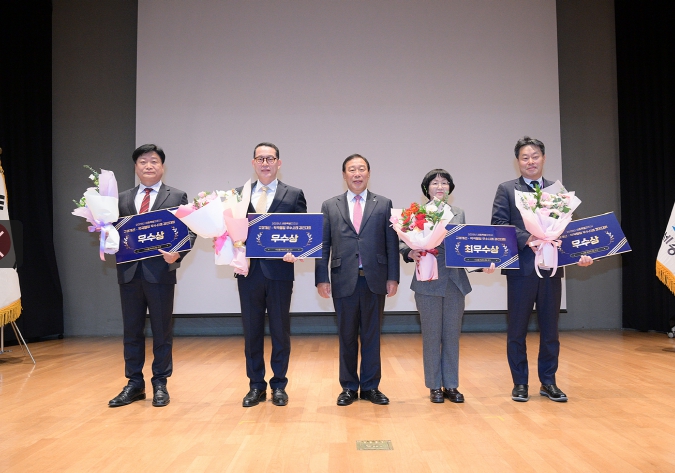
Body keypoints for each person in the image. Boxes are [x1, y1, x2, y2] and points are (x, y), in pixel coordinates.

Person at [491, 136, 592, 403]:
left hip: (551, 269)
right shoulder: (507, 189)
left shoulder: (557, 191)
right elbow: (499, 224)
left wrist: (581, 254)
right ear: (518, 161)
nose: (530, 161)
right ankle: (520, 383)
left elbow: (568, 228)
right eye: (525, 157)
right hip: (521, 270)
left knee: (550, 330)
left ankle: (548, 382)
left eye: (535, 156)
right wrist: (528, 239)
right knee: (517, 330)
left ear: (544, 158)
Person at [109, 144, 194, 408]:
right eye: (143, 161)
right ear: (136, 167)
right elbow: (112, 232)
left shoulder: (176, 195)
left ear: (162, 166)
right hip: (129, 273)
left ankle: (160, 383)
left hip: (160, 273)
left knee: (161, 330)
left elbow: (190, 230)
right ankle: (134, 383)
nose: (148, 165)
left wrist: (178, 253)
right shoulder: (120, 199)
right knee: (131, 331)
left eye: (154, 161)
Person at [400, 169, 493, 404]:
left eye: (444, 183)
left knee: (452, 336)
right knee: (432, 336)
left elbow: (465, 246)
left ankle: (451, 384)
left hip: (455, 282)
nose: (440, 186)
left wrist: (482, 264)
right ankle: (434, 386)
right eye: (435, 183)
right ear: (426, 188)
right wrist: (409, 251)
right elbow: (402, 242)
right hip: (428, 281)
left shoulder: (458, 212)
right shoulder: (416, 213)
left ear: (450, 188)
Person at [315, 154, 400, 406]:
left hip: (375, 279)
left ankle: (371, 387)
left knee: (372, 335)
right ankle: (349, 387)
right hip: (343, 278)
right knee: (347, 336)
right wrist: (321, 278)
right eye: (352, 169)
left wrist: (393, 277)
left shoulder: (383, 204)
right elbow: (323, 245)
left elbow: (391, 244)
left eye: (361, 169)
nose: (357, 174)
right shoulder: (330, 205)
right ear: (344, 175)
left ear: (368, 173)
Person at [236, 142, 307, 408]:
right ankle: (255, 386)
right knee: (251, 331)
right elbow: (230, 231)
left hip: (280, 272)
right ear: (253, 163)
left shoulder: (294, 194)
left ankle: (279, 385)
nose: (265, 163)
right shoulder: (239, 195)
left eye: (270, 158)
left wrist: (296, 251)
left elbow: (302, 231)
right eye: (260, 159)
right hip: (249, 272)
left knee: (280, 331)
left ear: (279, 163)